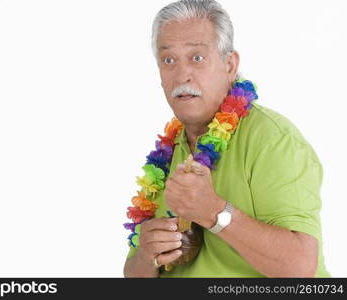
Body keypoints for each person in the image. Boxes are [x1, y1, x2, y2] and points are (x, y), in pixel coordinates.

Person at [123, 0, 330, 277]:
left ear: (230, 65)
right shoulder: (166, 153)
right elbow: (132, 275)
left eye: (197, 57)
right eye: (168, 60)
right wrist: (147, 255)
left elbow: (301, 268)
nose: (182, 74)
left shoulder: (273, 140)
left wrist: (214, 211)